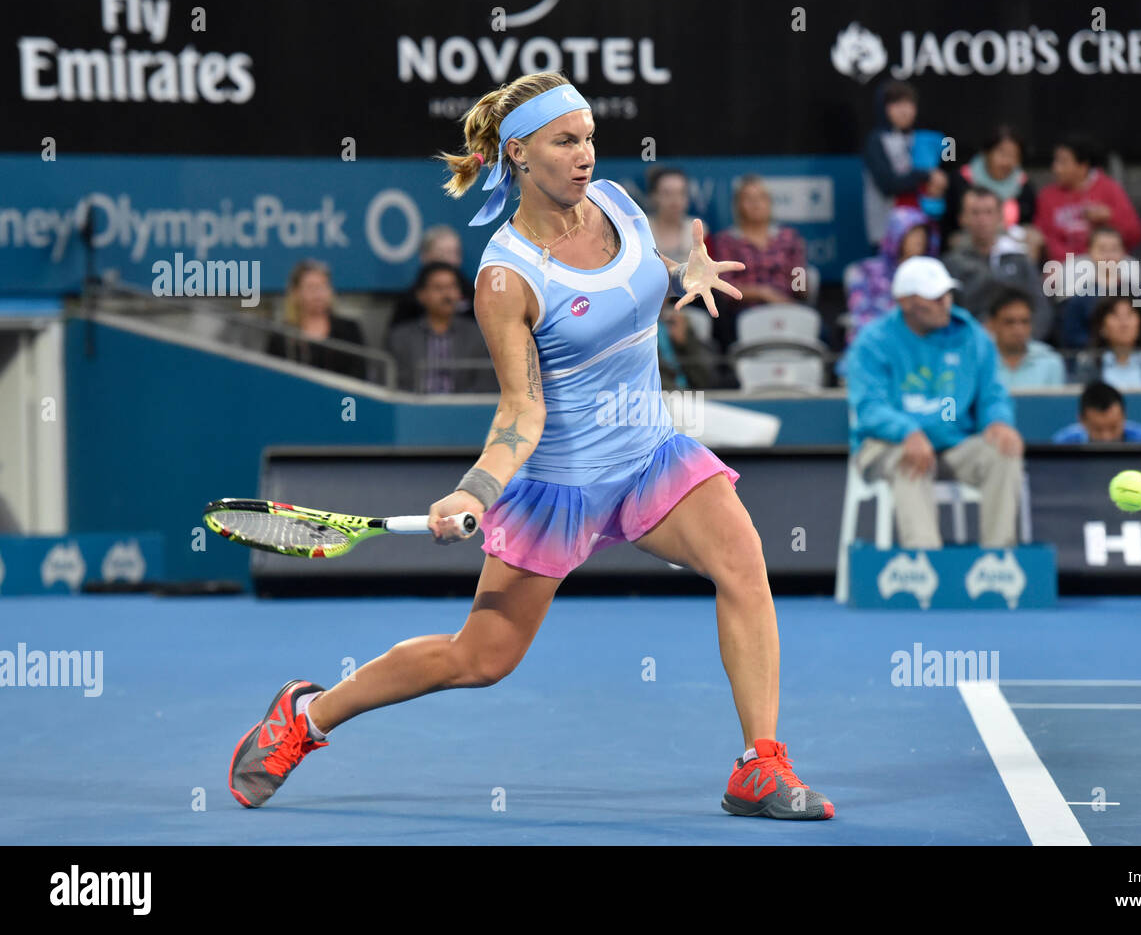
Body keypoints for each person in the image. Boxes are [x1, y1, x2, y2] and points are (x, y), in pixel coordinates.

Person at [227, 72, 834, 821]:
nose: (585, 156)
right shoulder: (506, 276)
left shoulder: (616, 201)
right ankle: (309, 713)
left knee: (743, 561)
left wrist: (683, 273)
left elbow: (632, 280)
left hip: (650, 457)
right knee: (479, 658)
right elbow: (521, 411)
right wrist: (475, 492)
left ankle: (759, 765)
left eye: (589, 138)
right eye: (565, 141)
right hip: (560, 484)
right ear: (519, 153)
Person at [845, 255, 1024, 549]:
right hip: (886, 445)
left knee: (1003, 452)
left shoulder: (972, 336)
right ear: (905, 302)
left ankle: (999, 563)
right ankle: (925, 566)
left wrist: (998, 421)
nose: (945, 303)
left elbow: (993, 393)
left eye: (947, 294)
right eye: (935, 297)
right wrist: (907, 432)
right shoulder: (873, 341)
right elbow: (869, 409)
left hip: (954, 443)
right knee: (911, 460)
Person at [706, 174, 810, 349]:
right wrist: (764, 293)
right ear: (738, 205)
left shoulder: (789, 237)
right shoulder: (726, 241)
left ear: (769, 203)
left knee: (820, 330)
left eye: (761, 198)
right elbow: (724, 286)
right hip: (744, 312)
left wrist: (800, 284)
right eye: (749, 199)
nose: (756, 204)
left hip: (786, 306)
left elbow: (799, 285)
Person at [941, 186, 1049, 337]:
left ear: (1000, 217)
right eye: (975, 212)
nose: (982, 219)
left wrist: (1027, 341)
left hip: (1019, 346)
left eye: (988, 212)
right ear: (962, 218)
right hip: (969, 347)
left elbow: (1041, 308)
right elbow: (946, 313)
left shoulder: (1020, 260)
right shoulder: (951, 264)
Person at [386, 261, 499, 393]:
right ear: (421, 295)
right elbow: (390, 384)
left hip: (463, 411)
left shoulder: (479, 335)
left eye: (452, 287)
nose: (447, 295)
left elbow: (486, 385)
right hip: (412, 409)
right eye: (438, 288)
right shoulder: (400, 337)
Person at [1035, 135, 1141, 266]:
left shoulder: (1109, 188)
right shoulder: (1048, 196)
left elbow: (1135, 234)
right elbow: (1047, 239)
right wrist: (1076, 260)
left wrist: (1109, 216)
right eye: (1055, 162)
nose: (1056, 169)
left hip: (1109, 260)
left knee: (1135, 273)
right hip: (1067, 264)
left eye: (1063, 162)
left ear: (1083, 166)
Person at [863, 81, 947, 247]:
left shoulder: (926, 138)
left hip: (923, 230)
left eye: (909, 104)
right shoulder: (875, 140)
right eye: (896, 104)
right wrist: (926, 175)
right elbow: (888, 184)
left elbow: (948, 160)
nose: (904, 110)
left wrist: (940, 182)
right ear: (883, 108)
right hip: (888, 234)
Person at [843, 205, 936, 343]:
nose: (919, 239)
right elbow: (860, 315)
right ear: (896, 234)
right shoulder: (867, 271)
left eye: (922, 233)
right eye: (913, 233)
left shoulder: (933, 273)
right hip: (877, 342)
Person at [265, 259, 367, 380]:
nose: (318, 294)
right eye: (311, 287)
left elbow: (360, 375)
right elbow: (272, 379)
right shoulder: (282, 336)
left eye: (323, 286)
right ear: (296, 293)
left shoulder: (349, 330)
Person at [941, 124, 1038, 239]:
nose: (1007, 161)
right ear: (986, 153)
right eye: (1002, 153)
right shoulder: (961, 180)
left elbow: (1028, 222)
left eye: (1013, 156)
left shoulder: (1024, 186)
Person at [1057, 226, 1137, 349]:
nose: (1109, 255)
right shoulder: (1079, 298)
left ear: (1123, 252)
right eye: (1102, 249)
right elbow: (1071, 337)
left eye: (1114, 249)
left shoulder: (1137, 294)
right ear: (1090, 252)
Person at [1074, 294, 1141, 388]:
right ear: (1102, 327)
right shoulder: (1088, 365)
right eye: (1116, 315)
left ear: (1140, 324)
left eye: (1129, 314)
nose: (1124, 323)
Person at [986, 286, 1065, 389]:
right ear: (992, 324)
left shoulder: (1051, 363)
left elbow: (1056, 405)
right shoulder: (979, 361)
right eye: (1009, 322)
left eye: (1024, 321)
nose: (1018, 329)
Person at [1051, 381, 1141, 443]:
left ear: (1124, 417)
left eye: (1113, 427)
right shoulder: (1063, 443)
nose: (1106, 438)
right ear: (1082, 421)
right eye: (1098, 429)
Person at [645, 166, 709, 264]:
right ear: (654, 196)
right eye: (667, 193)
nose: (675, 200)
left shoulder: (699, 228)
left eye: (681, 193)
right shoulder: (643, 229)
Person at [658, 300, 717, 389]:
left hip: (690, 393)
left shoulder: (678, 322)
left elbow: (703, 376)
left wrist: (684, 342)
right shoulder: (637, 330)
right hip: (662, 393)